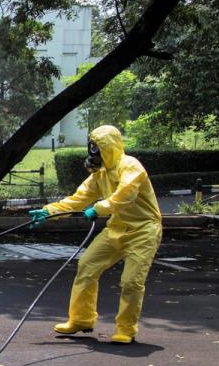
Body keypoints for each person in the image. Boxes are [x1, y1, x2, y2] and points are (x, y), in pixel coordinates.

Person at [28, 125, 163, 344]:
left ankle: (126, 330)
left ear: (107, 148)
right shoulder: (100, 174)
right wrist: (49, 211)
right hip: (116, 228)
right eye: (92, 150)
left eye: (97, 149)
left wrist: (99, 209)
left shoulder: (131, 166)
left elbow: (125, 195)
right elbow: (78, 199)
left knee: (131, 282)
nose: (93, 155)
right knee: (87, 266)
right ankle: (81, 319)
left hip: (143, 230)